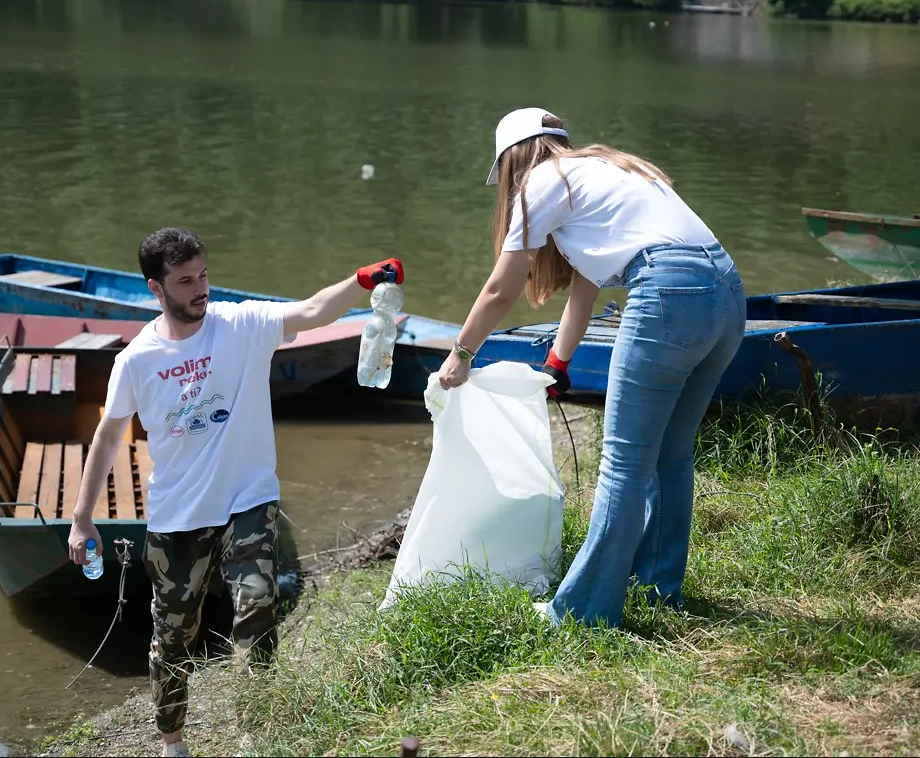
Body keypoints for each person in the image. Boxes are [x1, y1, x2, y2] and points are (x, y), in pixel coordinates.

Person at [66, 227, 404, 758]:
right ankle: (172, 743)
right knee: (174, 636)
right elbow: (109, 436)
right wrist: (83, 518)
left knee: (257, 605)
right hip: (177, 515)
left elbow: (314, 310)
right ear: (156, 288)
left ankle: (255, 732)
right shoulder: (136, 360)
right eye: (185, 281)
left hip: (249, 498)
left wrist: (362, 281)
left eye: (203, 275)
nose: (200, 288)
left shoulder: (241, 324)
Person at [436, 106, 746, 629]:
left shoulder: (539, 184)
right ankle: (656, 591)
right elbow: (586, 286)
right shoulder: (609, 168)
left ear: (512, 161)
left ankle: (583, 612)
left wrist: (460, 355)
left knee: (624, 464)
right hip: (728, 297)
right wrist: (558, 362)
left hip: (669, 293)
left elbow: (500, 289)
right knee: (670, 455)